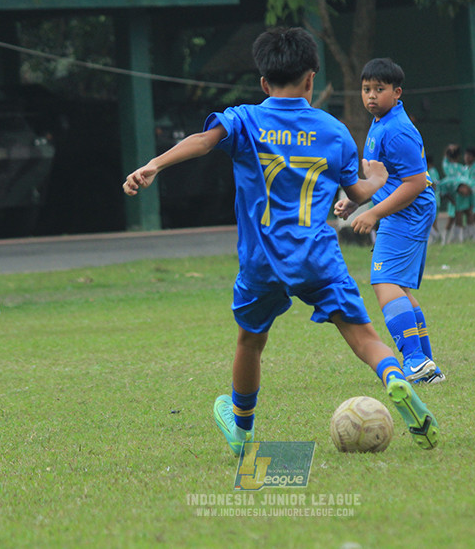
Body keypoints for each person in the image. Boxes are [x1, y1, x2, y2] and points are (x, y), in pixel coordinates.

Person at [122, 28, 440, 454]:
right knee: (362, 335)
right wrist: (379, 178)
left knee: (251, 340)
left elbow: (203, 141)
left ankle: (242, 429)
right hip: (318, 257)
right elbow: (359, 193)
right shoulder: (334, 131)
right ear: (312, 79)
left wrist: (154, 165)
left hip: (262, 261)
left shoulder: (245, 119)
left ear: (263, 83)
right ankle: (396, 378)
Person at [334, 58, 445, 384]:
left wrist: (373, 213)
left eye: (379, 90)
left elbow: (414, 183)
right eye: (366, 89)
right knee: (400, 287)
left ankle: (412, 360)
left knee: (384, 283)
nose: (370, 96)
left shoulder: (396, 131)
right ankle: (425, 365)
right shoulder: (382, 121)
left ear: (397, 93)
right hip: (404, 209)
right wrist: (356, 200)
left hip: (407, 211)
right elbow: (388, 178)